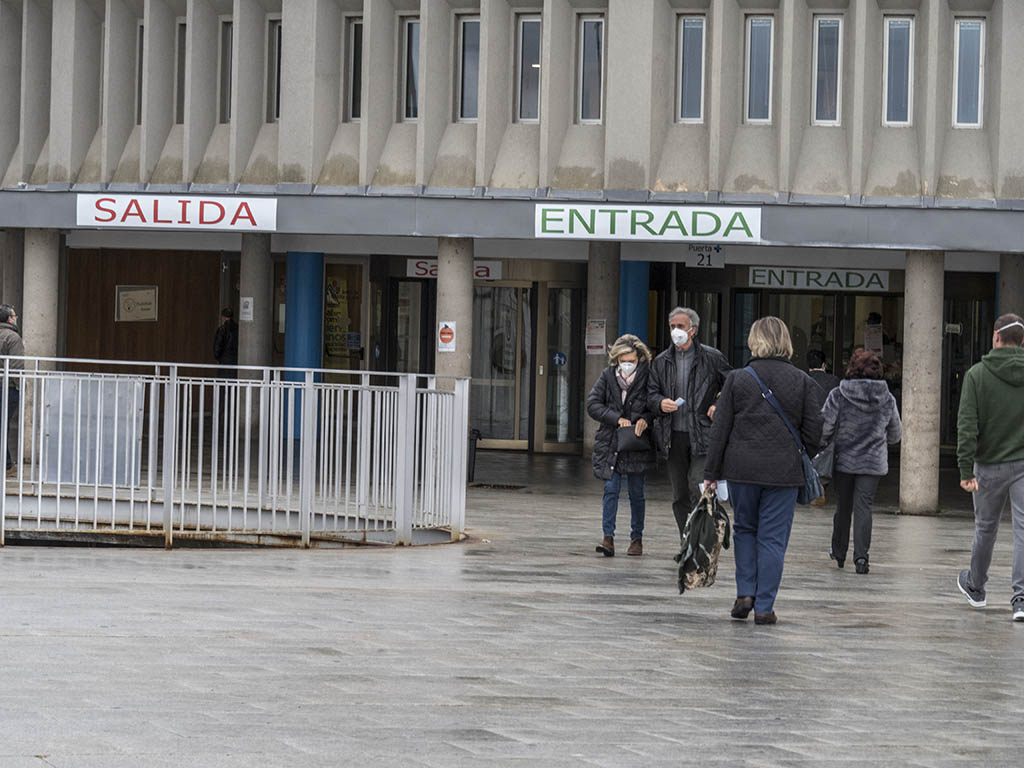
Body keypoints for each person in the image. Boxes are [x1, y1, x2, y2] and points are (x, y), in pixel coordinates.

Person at [704, 316, 823, 625]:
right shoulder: (803, 381)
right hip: (784, 472)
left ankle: (745, 593)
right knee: (773, 539)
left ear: (754, 341)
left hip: (741, 469)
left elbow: (720, 430)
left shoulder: (737, 379)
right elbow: (814, 432)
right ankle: (765, 607)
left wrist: (711, 472)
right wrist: (798, 452)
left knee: (745, 529)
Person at [955, 313, 1024, 621]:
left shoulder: (977, 375)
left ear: (996, 337)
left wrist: (965, 470)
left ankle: (976, 586)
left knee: (985, 528)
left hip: (989, 465)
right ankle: (1021, 599)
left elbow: (967, 425)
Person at [647, 307, 731, 544]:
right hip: (673, 435)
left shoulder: (712, 358)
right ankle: (686, 540)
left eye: (681, 326)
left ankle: (701, 540)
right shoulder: (661, 361)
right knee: (680, 493)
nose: (676, 331)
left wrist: (717, 403)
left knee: (698, 487)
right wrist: (659, 403)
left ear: (693, 330)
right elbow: (650, 394)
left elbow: (732, 386)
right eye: (672, 327)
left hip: (703, 434)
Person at [821, 349, 902, 574]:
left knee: (843, 506)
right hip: (872, 462)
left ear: (852, 369)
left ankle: (839, 551)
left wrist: (825, 442)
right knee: (864, 506)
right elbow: (896, 435)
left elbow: (825, 427)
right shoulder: (887, 399)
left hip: (843, 460)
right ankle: (861, 558)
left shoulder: (838, 395)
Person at [587, 334, 657, 557]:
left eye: (631, 360)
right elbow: (593, 404)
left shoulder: (648, 377)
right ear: (616, 359)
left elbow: (655, 404)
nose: (627, 364)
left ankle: (636, 539)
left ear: (639, 359)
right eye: (623, 360)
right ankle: (608, 538)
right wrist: (616, 418)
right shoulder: (607, 376)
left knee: (637, 492)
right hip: (611, 441)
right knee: (610, 489)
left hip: (636, 441)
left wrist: (645, 419)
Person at [0, 304, 24, 476]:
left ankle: (7, 464)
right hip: (7, 387)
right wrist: (18, 385)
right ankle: (7, 465)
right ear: (9, 319)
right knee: (3, 426)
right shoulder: (13, 338)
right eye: (14, 315)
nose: (15, 318)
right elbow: (17, 366)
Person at [213, 308, 239, 378]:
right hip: (235, 359)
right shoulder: (238, 329)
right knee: (233, 380)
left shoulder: (222, 329)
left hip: (224, 359)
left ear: (223, 317)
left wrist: (218, 356)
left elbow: (217, 346)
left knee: (223, 380)